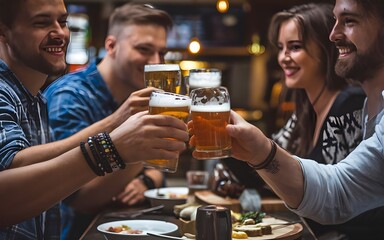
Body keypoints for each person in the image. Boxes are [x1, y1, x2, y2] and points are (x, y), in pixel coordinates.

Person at [191, 0, 384, 238]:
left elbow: (343, 202)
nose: (283, 58)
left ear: (324, 50)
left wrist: (258, 158)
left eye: (294, 47)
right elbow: (273, 167)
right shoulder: (305, 111)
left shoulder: (349, 105)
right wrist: (234, 153)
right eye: (280, 47)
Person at [0, 0, 188, 239]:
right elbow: (72, 194)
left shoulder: (34, 98)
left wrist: (140, 157)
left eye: (63, 22)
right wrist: (114, 144)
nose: (60, 33)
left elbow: (21, 166)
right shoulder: (66, 95)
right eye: (41, 22)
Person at [43, 3, 174, 239]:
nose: (156, 61)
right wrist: (139, 155)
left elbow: (158, 170)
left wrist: (145, 179)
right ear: (111, 46)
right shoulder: (71, 96)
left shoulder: (138, 96)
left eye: (162, 53)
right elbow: (78, 199)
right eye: (144, 49)